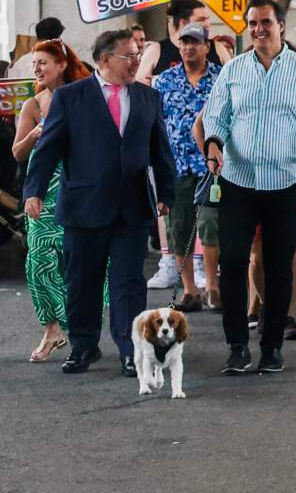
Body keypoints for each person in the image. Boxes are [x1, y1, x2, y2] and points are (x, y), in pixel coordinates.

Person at [23, 29, 175, 377]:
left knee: (128, 283)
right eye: (129, 56)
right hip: (83, 207)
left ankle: (129, 349)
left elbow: (160, 151)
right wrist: (34, 190)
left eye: (138, 55)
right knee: (83, 282)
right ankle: (84, 346)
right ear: (105, 60)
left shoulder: (148, 98)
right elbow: (49, 150)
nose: (137, 62)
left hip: (132, 206)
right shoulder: (71, 97)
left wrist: (166, 193)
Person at [203, 0, 296, 375]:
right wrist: (213, 145)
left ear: (281, 26)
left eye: (266, 23)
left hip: (285, 181)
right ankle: (237, 346)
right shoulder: (234, 70)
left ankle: (272, 346)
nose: (259, 29)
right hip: (237, 179)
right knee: (233, 261)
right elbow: (217, 116)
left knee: (278, 266)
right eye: (253, 23)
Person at [11, 39, 94, 362]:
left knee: (76, 260)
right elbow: (17, 152)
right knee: (38, 262)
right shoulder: (33, 105)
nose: (37, 69)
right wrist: (33, 135)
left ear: (61, 65)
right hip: (41, 193)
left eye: (43, 62)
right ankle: (52, 328)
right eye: (35, 64)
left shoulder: (82, 98)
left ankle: (80, 324)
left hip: (76, 188)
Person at [153, 24, 222, 311]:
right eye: (184, 42)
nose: (189, 47)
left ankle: (213, 287)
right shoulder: (165, 80)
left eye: (195, 42)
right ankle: (190, 290)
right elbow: (156, 123)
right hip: (176, 165)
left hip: (211, 165)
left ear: (207, 46)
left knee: (210, 224)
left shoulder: (220, 78)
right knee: (179, 228)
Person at [136, 0, 231, 84]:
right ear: (183, 23)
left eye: (207, 19)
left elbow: (233, 80)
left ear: (207, 48)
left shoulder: (218, 49)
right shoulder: (156, 50)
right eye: (201, 20)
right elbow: (140, 87)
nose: (207, 24)